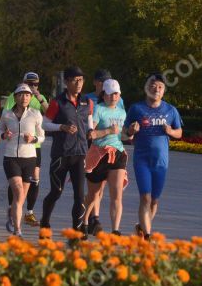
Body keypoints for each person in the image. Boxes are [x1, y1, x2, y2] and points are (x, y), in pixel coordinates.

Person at [124, 73, 182, 240]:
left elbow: (179, 132)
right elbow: (125, 131)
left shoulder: (171, 110)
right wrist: (131, 131)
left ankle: (141, 227)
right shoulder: (137, 109)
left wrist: (171, 131)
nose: (156, 89)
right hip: (142, 159)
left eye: (160, 87)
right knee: (145, 197)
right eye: (152, 86)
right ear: (146, 88)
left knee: (155, 201)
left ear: (163, 91)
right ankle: (148, 236)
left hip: (161, 162)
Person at [40, 66, 93, 233]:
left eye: (81, 80)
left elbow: (89, 125)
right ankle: (45, 224)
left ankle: (76, 231)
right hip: (61, 154)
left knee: (79, 195)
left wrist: (92, 133)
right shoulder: (58, 102)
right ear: (67, 82)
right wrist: (61, 127)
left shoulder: (87, 102)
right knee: (56, 192)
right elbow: (44, 123)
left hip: (80, 153)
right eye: (75, 80)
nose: (79, 83)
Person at [81, 79, 128, 238]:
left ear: (119, 94)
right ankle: (85, 222)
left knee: (116, 194)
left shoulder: (122, 111)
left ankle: (115, 230)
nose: (113, 97)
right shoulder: (99, 109)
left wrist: (132, 132)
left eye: (116, 94)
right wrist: (107, 130)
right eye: (109, 94)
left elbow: (121, 134)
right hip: (98, 154)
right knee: (94, 195)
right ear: (104, 95)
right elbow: (91, 134)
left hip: (117, 154)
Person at [0, 83, 45, 237]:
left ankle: (12, 213)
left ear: (30, 98)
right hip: (11, 158)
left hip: (30, 158)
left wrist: (34, 138)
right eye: (21, 95)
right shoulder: (7, 114)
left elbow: (42, 136)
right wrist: (4, 135)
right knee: (18, 191)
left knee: (21, 197)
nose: (24, 97)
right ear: (15, 97)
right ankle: (18, 230)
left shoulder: (35, 114)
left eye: (27, 95)